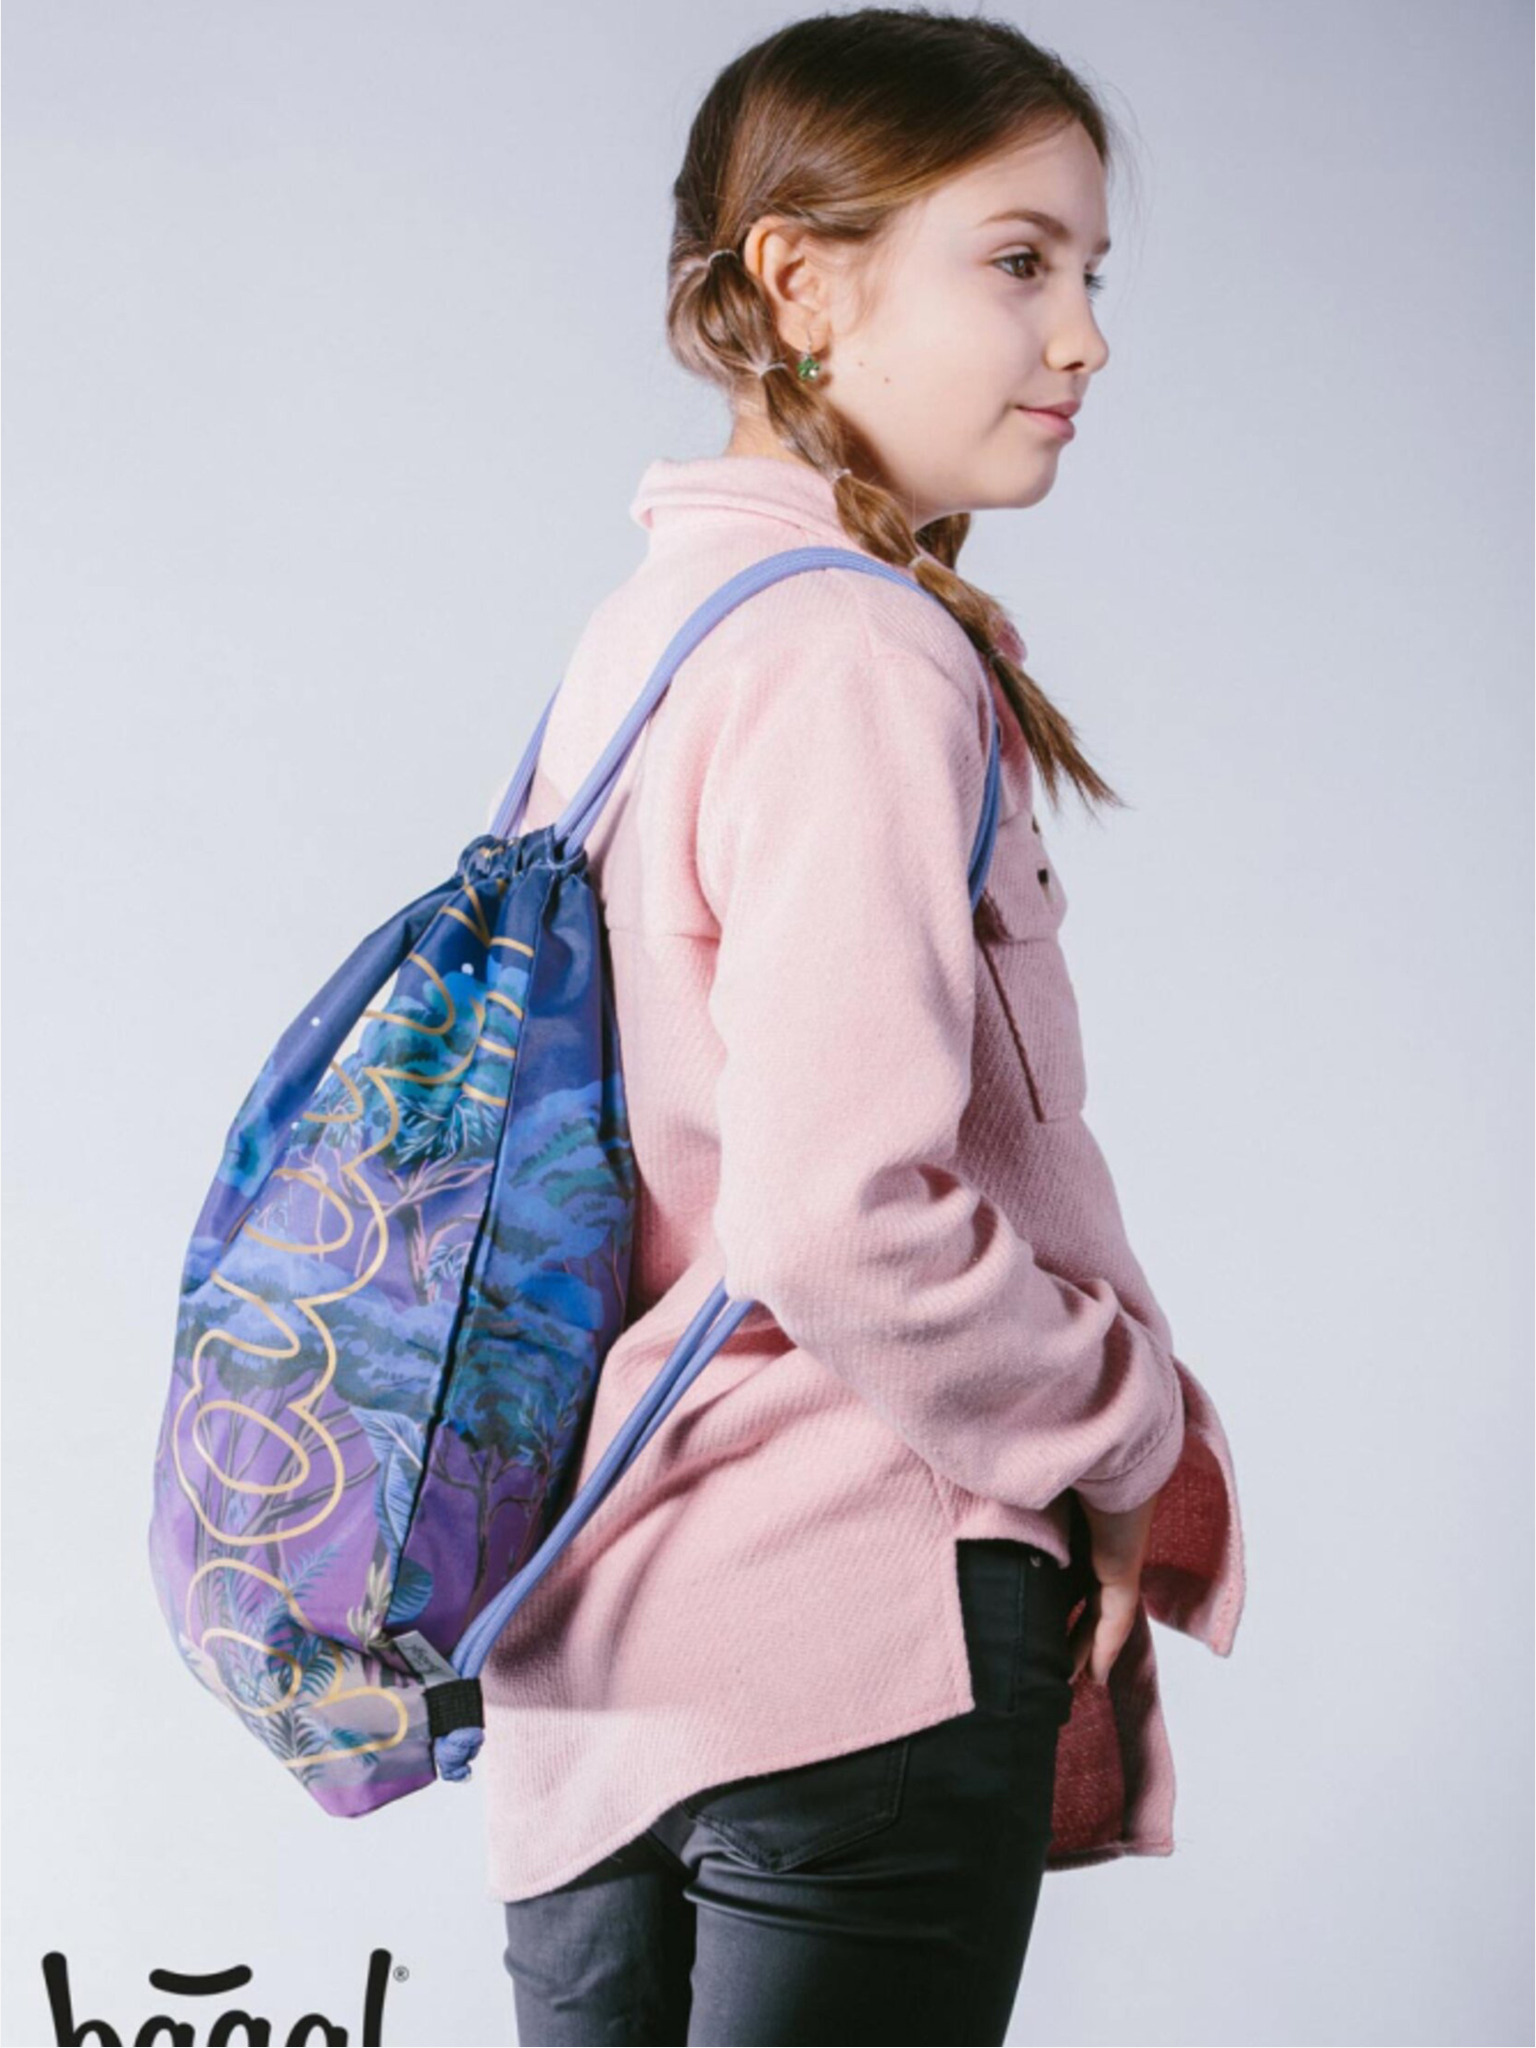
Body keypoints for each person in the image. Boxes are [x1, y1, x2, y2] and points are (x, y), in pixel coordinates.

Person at [486, 10, 1246, 2043]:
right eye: (1018, 262)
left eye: (1090, 272)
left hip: (600, 1666)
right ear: (801, 283)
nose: (1083, 337)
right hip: (850, 1631)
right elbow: (836, 1216)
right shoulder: (851, 654)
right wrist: (1126, 1429)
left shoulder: (642, 640)